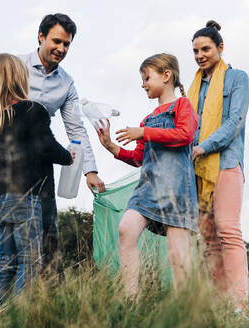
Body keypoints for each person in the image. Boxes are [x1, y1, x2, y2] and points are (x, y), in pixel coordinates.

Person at [0, 13, 105, 266]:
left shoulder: (67, 84)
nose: (61, 49)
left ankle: (41, 291)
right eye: (56, 41)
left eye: (67, 44)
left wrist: (90, 171)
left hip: (38, 166)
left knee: (45, 230)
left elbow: (76, 129)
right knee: (0, 236)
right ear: (41, 37)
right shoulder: (14, 66)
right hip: (1, 164)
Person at [97, 53, 199, 296]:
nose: (143, 84)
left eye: (146, 77)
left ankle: (184, 314)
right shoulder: (148, 119)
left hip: (177, 192)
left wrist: (144, 132)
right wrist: (112, 146)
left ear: (166, 76)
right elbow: (138, 158)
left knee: (177, 256)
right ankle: (131, 300)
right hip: (147, 190)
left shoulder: (182, 106)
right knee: (126, 229)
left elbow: (184, 135)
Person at [0, 53, 73, 305]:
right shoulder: (33, 110)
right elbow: (47, 147)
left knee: (4, 263)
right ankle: (20, 316)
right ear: (19, 78)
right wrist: (68, 156)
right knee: (30, 263)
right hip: (24, 197)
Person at [188, 20, 249, 311]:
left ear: (220, 48)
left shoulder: (238, 78)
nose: (200, 55)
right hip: (196, 169)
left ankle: (239, 305)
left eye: (206, 49)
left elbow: (234, 122)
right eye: (196, 51)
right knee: (209, 237)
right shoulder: (194, 85)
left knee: (228, 231)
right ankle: (221, 304)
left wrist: (204, 146)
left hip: (225, 163)